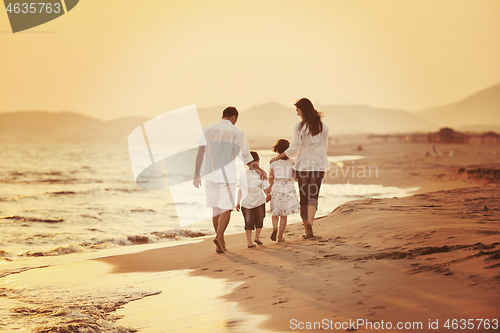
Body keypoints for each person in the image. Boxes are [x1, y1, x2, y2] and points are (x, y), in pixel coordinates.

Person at [193, 106, 266, 253]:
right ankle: (219, 236)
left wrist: (196, 175)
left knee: (215, 208)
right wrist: (258, 168)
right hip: (227, 175)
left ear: (223, 115)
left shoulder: (206, 130)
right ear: (234, 118)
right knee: (226, 207)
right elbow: (246, 156)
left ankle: (221, 240)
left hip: (210, 175)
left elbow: (200, 154)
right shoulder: (236, 132)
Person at [269, 98, 329, 238]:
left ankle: (307, 229)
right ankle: (311, 222)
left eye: (298, 110)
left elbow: (294, 147)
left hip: (302, 166)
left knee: (304, 198)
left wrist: (277, 157)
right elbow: (325, 147)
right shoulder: (324, 126)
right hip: (318, 166)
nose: (297, 114)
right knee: (313, 196)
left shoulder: (299, 127)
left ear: (303, 110)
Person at [236, 151, 271, 248]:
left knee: (250, 222)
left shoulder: (245, 175)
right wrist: (268, 196)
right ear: (258, 161)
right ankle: (253, 239)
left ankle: (252, 240)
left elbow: (240, 191)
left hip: (250, 203)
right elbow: (265, 188)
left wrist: (238, 202)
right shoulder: (260, 174)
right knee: (257, 220)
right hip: (255, 202)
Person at [267, 139, 300, 242]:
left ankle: (275, 228)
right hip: (288, 188)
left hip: (277, 187)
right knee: (284, 214)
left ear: (277, 149)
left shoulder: (274, 163)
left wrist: (269, 189)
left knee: (275, 212)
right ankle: (280, 237)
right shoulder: (292, 162)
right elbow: (295, 177)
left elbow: (271, 177)